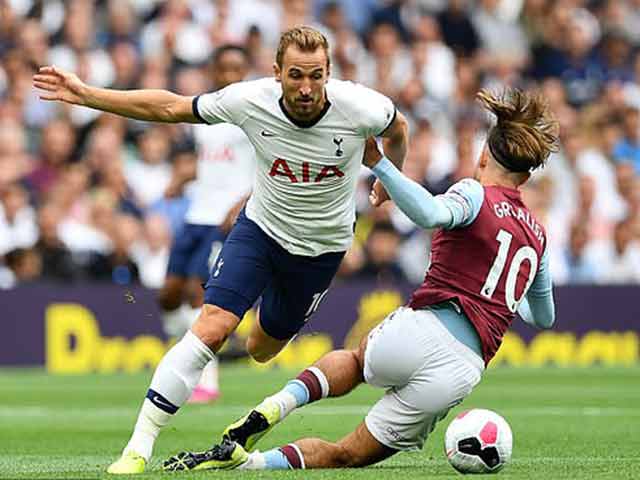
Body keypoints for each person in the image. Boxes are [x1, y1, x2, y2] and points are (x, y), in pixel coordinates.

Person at [33, 25, 408, 474]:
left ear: (329, 72)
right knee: (211, 327)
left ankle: (259, 328)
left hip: (321, 250)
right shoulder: (249, 99)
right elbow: (170, 107)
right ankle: (138, 446)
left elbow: (399, 129)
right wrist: (87, 94)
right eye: (295, 76)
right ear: (276, 73)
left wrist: (390, 177)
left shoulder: (363, 107)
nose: (306, 88)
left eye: (315, 76)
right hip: (261, 231)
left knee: (261, 349)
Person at [161, 88, 557, 472]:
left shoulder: (474, 193)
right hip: (462, 368)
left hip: (422, 327)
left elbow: (433, 215)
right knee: (346, 455)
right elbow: (543, 317)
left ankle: (277, 405)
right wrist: (498, 293)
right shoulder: (537, 236)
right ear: (524, 176)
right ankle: (249, 465)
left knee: (353, 363)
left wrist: (380, 164)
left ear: (484, 154)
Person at [158, 45, 255, 404]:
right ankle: (179, 349)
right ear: (214, 70)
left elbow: (266, 168)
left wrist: (242, 203)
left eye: (237, 68)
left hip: (223, 218)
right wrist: (182, 180)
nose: (230, 74)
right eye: (224, 68)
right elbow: (208, 164)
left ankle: (205, 381)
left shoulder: (251, 116)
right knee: (168, 294)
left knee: (200, 294)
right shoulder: (205, 112)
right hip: (196, 213)